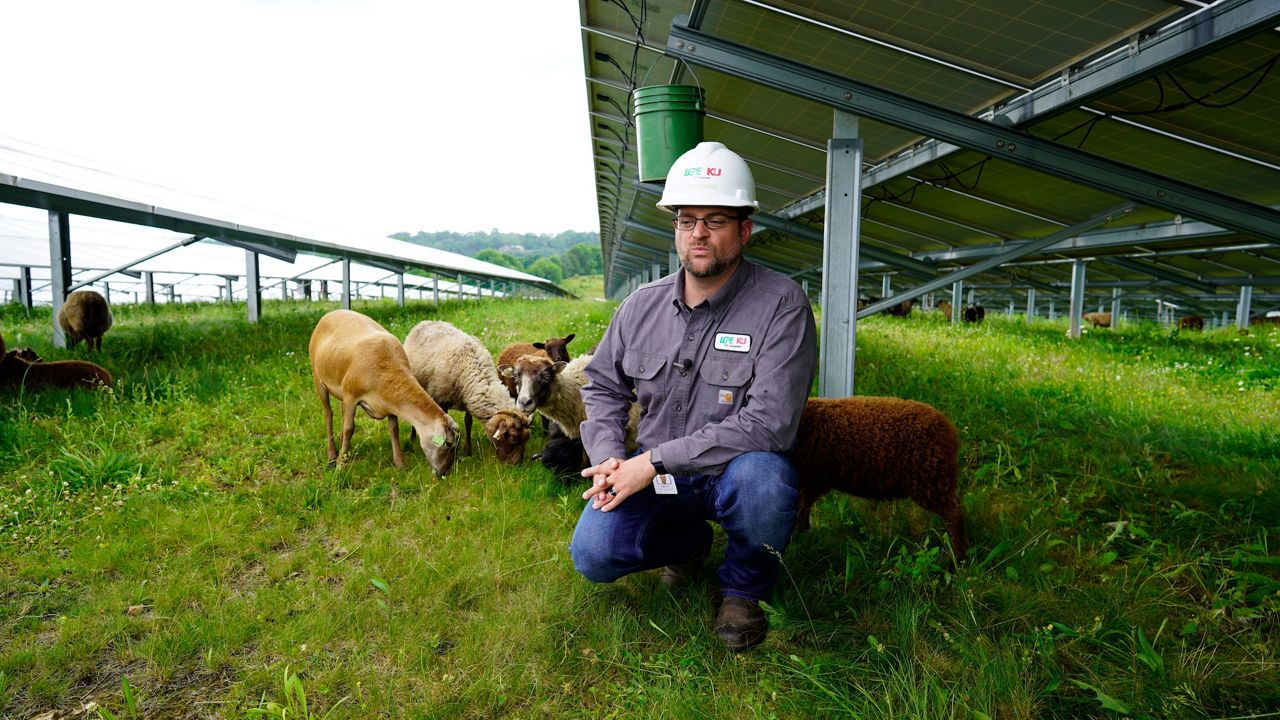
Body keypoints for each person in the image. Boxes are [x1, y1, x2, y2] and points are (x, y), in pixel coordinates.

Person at [570, 141, 818, 652]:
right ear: (676, 229)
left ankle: (744, 588)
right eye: (686, 220)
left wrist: (652, 461)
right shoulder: (641, 307)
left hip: (734, 471)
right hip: (655, 475)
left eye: (716, 220)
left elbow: (770, 422)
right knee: (593, 555)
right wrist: (610, 458)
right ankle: (688, 545)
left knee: (766, 483)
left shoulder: (781, 306)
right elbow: (602, 384)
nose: (698, 233)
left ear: (744, 230)